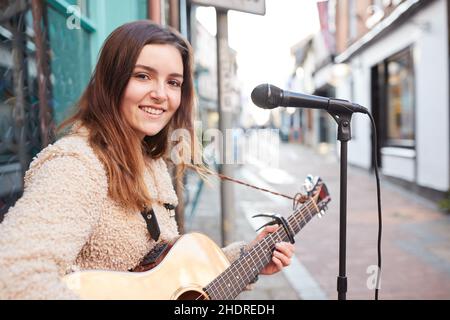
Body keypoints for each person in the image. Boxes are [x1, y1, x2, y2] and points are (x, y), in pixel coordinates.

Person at [0, 21, 295, 299]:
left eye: (174, 82)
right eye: (143, 76)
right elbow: (12, 277)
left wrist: (244, 259)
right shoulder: (77, 164)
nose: (160, 95)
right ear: (111, 81)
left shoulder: (150, 162)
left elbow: (165, 276)